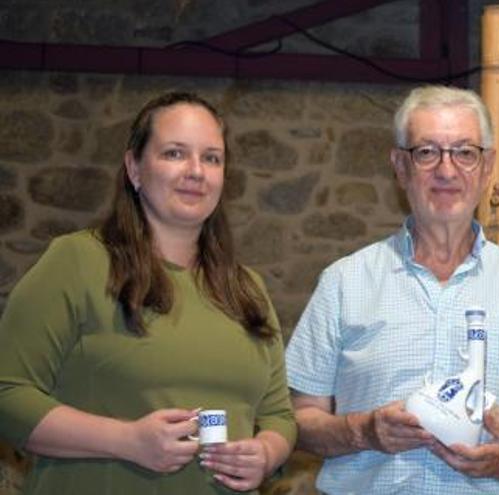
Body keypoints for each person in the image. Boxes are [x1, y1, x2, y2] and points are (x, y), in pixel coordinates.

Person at [285, 85, 499, 494]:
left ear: (487, 167)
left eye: (465, 152)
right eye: (427, 152)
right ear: (400, 166)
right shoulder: (344, 282)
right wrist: (364, 431)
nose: (446, 171)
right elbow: (298, 419)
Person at [0, 92, 296, 494]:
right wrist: (126, 441)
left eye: (212, 158)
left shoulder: (248, 290)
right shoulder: (78, 261)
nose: (196, 171)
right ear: (134, 168)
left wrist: (265, 453)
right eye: (175, 153)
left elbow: (278, 415)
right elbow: (7, 393)